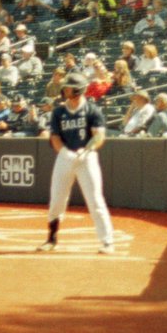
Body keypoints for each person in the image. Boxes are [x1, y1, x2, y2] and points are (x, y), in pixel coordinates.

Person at [40, 72, 116, 254]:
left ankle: (107, 241)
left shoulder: (92, 110)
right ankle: (51, 238)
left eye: (69, 88)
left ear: (78, 90)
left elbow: (99, 136)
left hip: (86, 158)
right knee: (57, 199)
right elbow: (55, 138)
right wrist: (65, 152)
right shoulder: (59, 112)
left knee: (95, 199)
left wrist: (87, 150)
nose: (65, 91)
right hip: (65, 157)